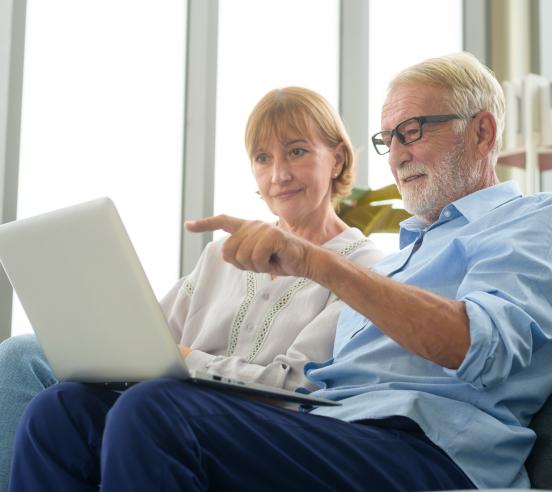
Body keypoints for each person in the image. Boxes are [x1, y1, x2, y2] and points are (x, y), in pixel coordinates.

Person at [8, 51, 552, 491]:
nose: (398, 155)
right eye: (389, 139)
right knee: (65, 410)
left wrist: (313, 262)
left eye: (413, 130)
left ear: (482, 132)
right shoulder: (410, 253)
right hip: (333, 424)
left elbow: (477, 344)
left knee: (157, 411)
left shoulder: (528, 221)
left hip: (430, 450)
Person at [0, 87, 384, 491]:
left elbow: (297, 389)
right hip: (164, 409)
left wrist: (189, 360)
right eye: (262, 158)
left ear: (337, 157)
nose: (278, 175)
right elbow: (152, 343)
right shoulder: (220, 254)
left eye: (296, 151)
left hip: (263, 433)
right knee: (58, 406)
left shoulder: (362, 269)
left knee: (143, 408)